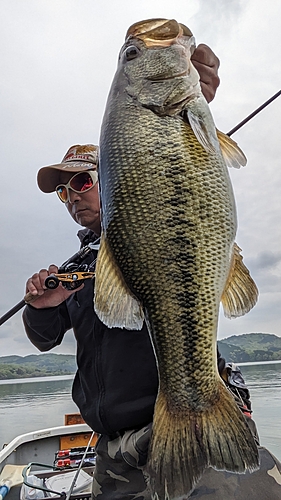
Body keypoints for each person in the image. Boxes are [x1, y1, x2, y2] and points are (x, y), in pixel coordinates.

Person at [23, 45, 281, 500]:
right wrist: (40, 308)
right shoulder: (76, 270)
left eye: (82, 182)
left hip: (185, 426)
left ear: (115, 171)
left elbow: (179, 164)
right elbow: (44, 338)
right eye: (63, 193)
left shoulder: (157, 217)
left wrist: (184, 102)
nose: (73, 197)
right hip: (114, 455)